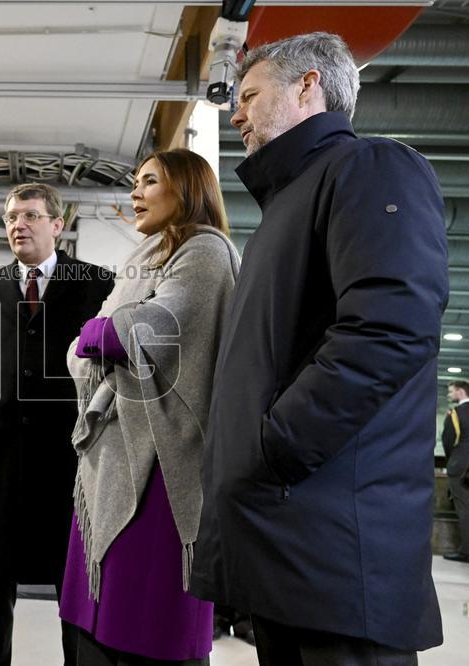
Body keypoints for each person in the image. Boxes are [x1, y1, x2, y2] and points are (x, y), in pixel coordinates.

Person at [190, 32, 449, 664]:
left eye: (249, 96)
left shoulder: (369, 168)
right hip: (288, 536)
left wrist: (275, 445)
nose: (236, 114)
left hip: (333, 545)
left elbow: (389, 328)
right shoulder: (290, 203)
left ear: (308, 86)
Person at [60, 149, 239, 666]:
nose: (135, 193)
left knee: (145, 625)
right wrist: (101, 337)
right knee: (94, 626)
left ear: (186, 188)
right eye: (135, 182)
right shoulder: (147, 256)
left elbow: (147, 330)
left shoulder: (206, 251)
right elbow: (83, 346)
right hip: (109, 459)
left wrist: (100, 336)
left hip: (163, 464)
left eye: (150, 182)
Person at [0, 183, 113, 665]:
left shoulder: (97, 284)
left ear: (57, 224)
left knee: (72, 579)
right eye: (11, 217)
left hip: (67, 455)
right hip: (0, 453)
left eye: (30, 215)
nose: (18, 225)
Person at [442, 380, 469, 563]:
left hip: (460, 465)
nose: (449, 395)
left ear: (461, 392)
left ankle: (467, 551)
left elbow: (448, 440)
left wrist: (453, 460)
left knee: (464, 509)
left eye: (451, 391)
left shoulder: (455, 413)